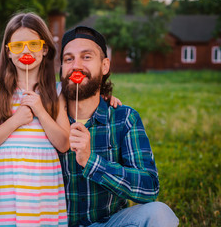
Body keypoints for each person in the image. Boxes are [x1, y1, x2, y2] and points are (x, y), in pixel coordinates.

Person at [58, 26, 179, 227]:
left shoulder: (124, 119)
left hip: (109, 222)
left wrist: (91, 161)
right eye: (68, 59)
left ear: (105, 66)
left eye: (86, 57)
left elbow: (149, 188)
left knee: (160, 214)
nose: (76, 66)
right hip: (58, 223)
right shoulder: (46, 120)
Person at [0, 12, 69, 226]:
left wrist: (40, 110)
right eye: (18, 46)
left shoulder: (56, 92)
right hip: (8, 180)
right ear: (8, 52)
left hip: (42, 180)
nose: (26, 51)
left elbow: (64, 144)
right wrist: (15, 120)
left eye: (33, 44)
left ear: (45, 49)